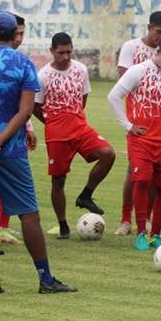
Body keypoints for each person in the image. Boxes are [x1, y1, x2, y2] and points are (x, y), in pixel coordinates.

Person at [0, 11, 76, 294]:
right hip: (11, 151)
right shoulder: (22, 62)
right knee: (29, 214)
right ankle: (45, 279)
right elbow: (26, 110)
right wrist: (1, 139)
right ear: (12, 35)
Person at [108, 35, 161, 250]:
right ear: (159, 52)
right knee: (142, 181)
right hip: (142, 140)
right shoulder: (139, 71)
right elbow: (114, 96)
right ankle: (141, 232)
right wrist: (128, 125)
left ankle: (156, 234)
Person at [34, 33, 115, 239]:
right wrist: (52, 122)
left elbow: (83, 96)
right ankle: (63, 225)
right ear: (52, 51)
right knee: (58, 180)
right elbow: (35, 106)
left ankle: (86, 195)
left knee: (108, 154)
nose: (65, 56)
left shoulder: (80, 69)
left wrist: (74, 118)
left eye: (69, 51)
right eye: (61, 52)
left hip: (80, 128)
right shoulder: (43, 75)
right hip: (57, 134)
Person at [114, 10, 161, 236]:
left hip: (160, 120)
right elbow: (123, 81)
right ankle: (126, 218)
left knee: (156, 174)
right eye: (158, 32)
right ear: (149, 28)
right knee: (134, 171)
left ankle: (146, 217)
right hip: (138, 117)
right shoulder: (132, 47)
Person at [0, 13, 38, 244]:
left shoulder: (21, 63)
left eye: (22, 34)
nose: (19, 39)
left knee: (7, 184)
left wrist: (29, 127)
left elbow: (24, 105)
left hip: (13, 133)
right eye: (16, 33)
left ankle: (2, 226)